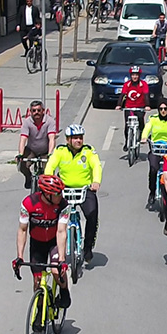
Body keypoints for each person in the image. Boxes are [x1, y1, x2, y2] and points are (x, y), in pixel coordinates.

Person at [14, 174, 72, 318]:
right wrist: (19, 257)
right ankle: (40, 310)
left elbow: (61, 231)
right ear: (47, 194)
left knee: (56, 271)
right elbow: (22, 230)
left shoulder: (63, 205)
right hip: (37, 243)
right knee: (37, 281)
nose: (61, 196)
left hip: (54, 242)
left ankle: (64, 292)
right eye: (57, 193)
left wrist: (62, 260)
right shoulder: (29, 203)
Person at [45, 124, 102, 262]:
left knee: (92, 214)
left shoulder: (88, 151)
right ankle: (54, 246)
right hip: (64, 189)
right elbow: (50, 166)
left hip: (84, 189)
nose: (78, 141)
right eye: (75, 138)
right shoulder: (60, 151)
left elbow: (96, 166)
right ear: (68, 140)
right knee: (52, 215)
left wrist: (96, 181)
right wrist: (49, 182)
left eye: (80, 138)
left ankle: (87, 247)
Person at [140, 99, 167, 209]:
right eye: (161, 109)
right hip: (156, 148)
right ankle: (152, 192)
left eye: (165, 109)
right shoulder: (153, 119)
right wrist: (144, 137)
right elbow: (147, 129)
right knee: (154, 169)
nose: (163, 111)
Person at [17, 100, 57, 190]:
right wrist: (20, 154)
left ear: (43, 110)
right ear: (30, 111)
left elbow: (51, 138)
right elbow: (23, 139)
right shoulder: (27, 122)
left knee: (48, 170)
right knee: (22, 164)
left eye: (39, 110)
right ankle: (28, 177)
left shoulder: (49, 121)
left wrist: (50, 153)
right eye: (34, 111)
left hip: (45, 150)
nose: (36, 113)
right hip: (32, 149)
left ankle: (45, 187)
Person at [118, 66, 149, 151]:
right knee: (127, 126)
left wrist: (147, 105)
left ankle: (142, 135)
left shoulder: (143, 84)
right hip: (129, 107)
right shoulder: (127, 84)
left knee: (140, 120)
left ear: (139, 75)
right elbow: (122, 95)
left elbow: (146, 96)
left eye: (136, 75)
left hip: (140, 107)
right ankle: (127, 141)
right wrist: (119, 105)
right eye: (133, 75)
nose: (134, 77)